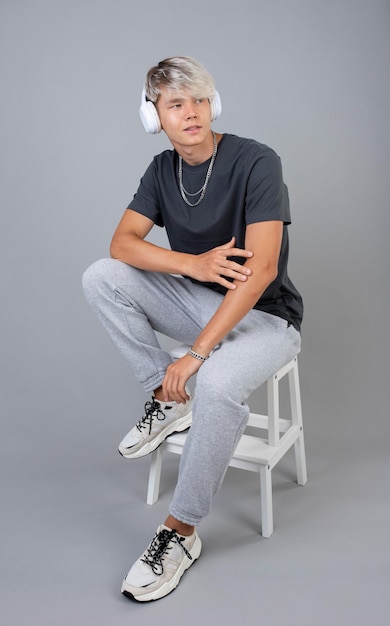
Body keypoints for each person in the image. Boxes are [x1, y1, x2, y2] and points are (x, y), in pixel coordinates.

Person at [82, 56, 303, 602]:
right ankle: (166, 396)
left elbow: (264, 270)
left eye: (200, 100)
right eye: (176, 103)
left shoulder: (256, 160)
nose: (192, 113)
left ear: (214, 104)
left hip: (265, 317)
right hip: (199, 300)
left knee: (221, 385)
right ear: (153, 115)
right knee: (101, 277)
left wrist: (198, 356)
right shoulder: (162, 169)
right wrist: (196, 265)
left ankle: (179, 532)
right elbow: (122, 245)